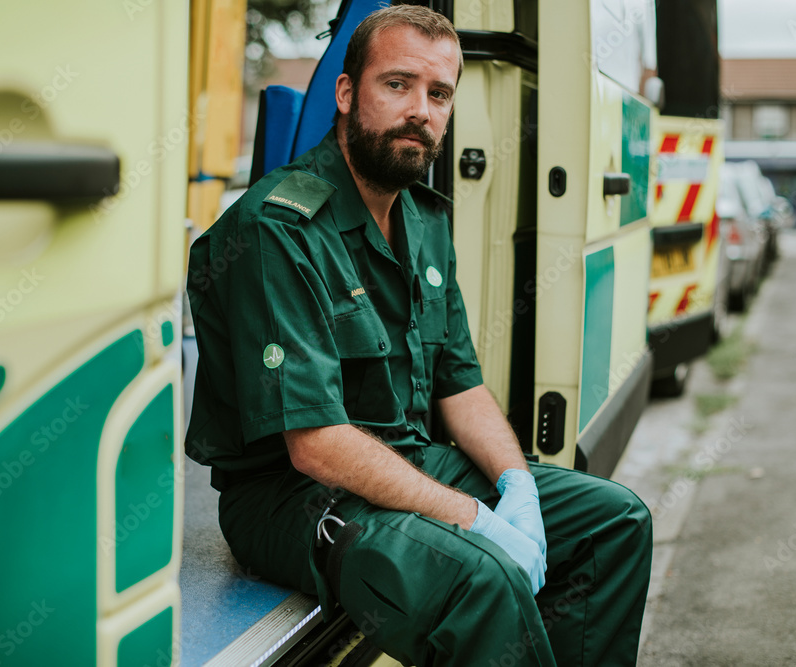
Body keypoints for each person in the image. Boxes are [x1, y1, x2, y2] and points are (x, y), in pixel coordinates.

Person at [185, 5, 652, 665]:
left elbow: (462, 385)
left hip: (405, 455)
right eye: (397, 85)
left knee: (615, 521)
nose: (421, 110)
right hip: (294, 496)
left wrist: (516, 484)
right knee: (480, 579)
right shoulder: (277, 229)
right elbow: (315, 447)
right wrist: (471, 516)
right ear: (346, 94)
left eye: (439, 93)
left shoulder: (425, 221)